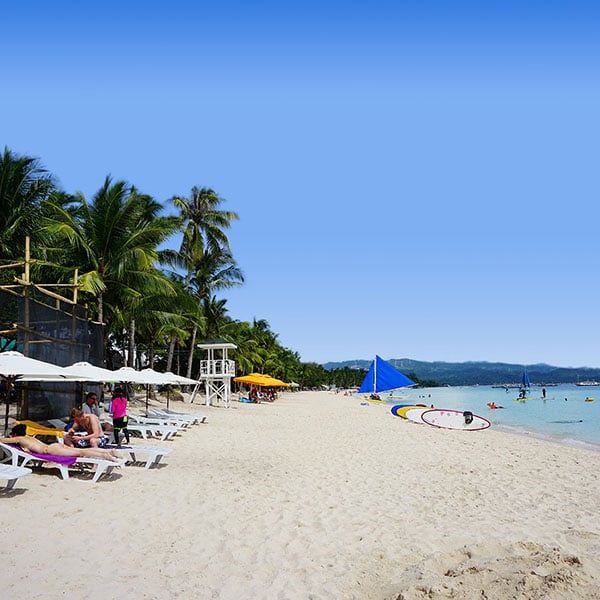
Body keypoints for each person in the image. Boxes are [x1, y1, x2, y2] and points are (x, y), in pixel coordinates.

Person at [0, 424, 122, 462]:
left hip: (51, 450)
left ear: (15, 434)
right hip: (54, 446)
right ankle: (109, 451)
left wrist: (8, 437)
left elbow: (3, 440)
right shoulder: (28, 437)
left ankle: (106, 456)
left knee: (81, 452)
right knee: (81, 451)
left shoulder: (20, 439)